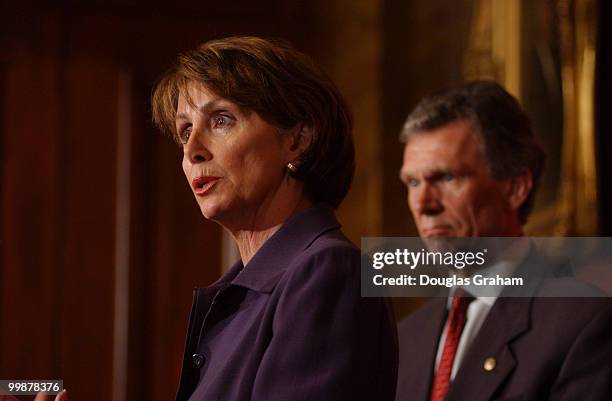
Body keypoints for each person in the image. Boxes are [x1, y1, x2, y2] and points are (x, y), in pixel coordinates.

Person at [151, 36, 397, 401]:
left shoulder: (328, 272)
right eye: (185, 131)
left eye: (220, 120)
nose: (192, 150)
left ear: (296, 141)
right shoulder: (241, 291)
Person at [395, 80, 612, 401]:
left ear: (515, 188)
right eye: (413, 182)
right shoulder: (405, 337)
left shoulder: (582, 321)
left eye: (447, 177)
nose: (423, 203)